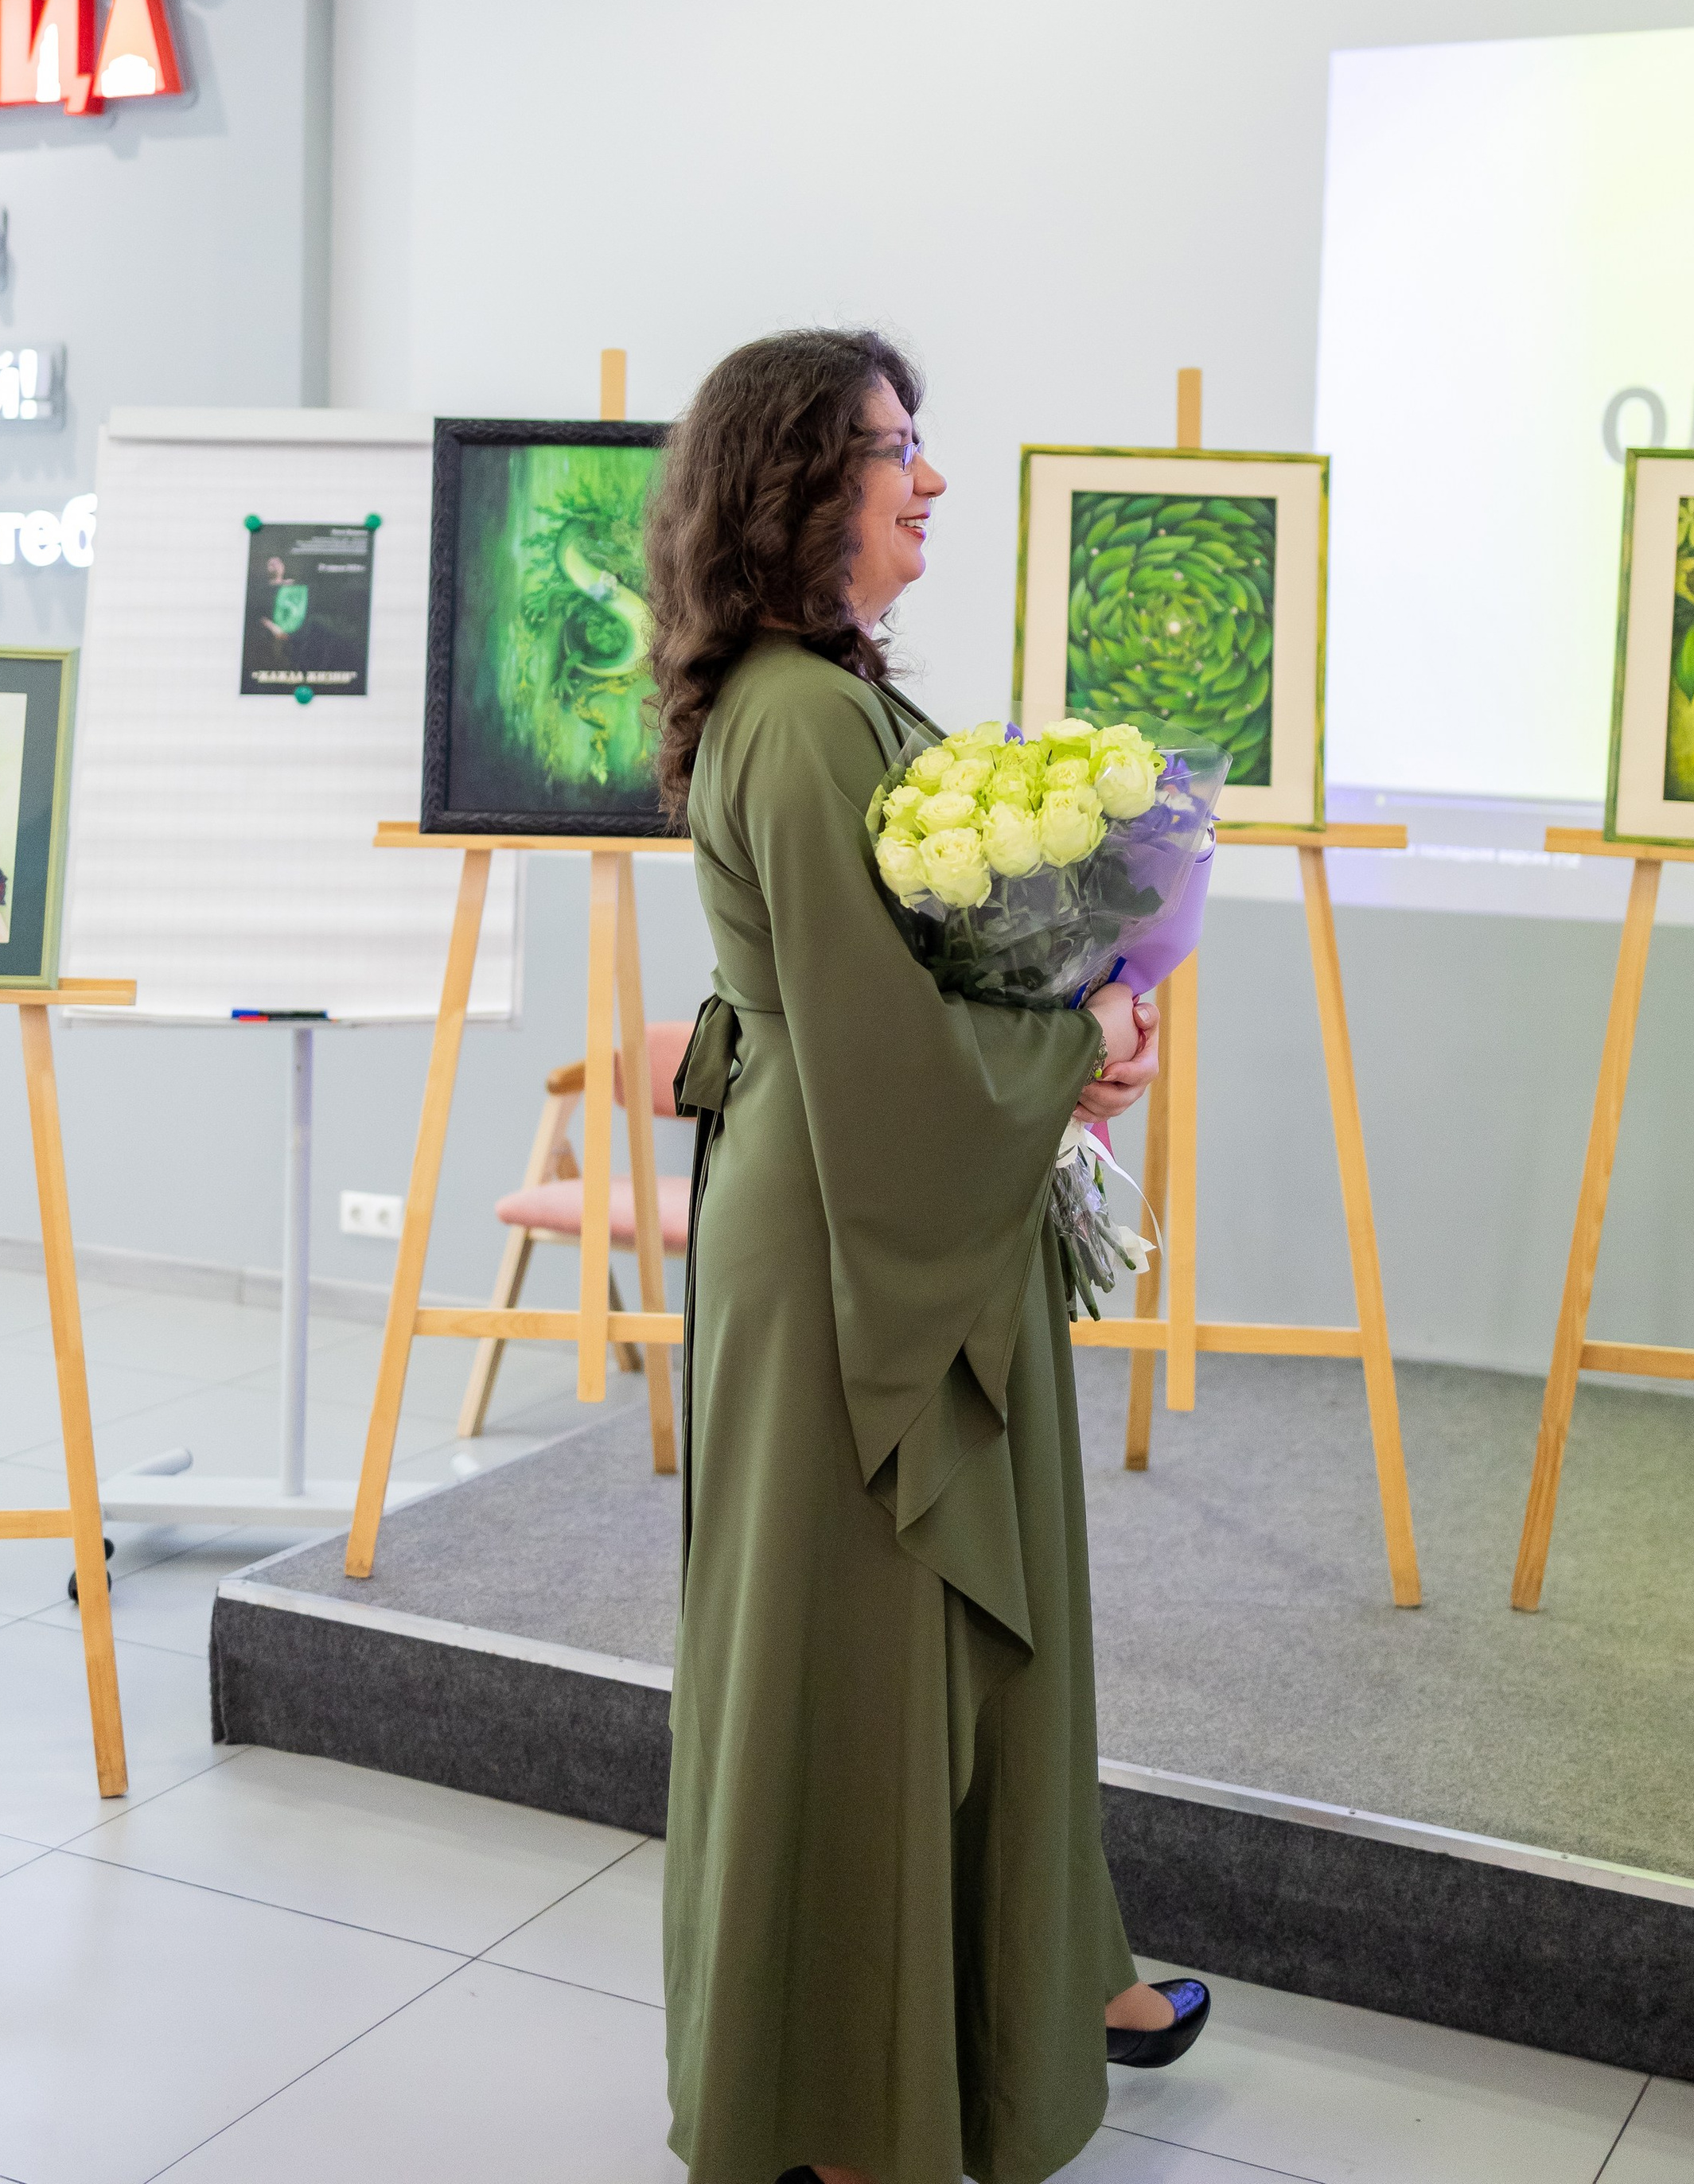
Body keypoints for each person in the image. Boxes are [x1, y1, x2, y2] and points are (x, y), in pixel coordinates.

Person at [648, 329, 1208, 2184]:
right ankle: (830, 2097)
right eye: (898, 449)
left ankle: (967, 2022)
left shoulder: (817, 691)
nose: (930, 480)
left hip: (880, 1201)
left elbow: (887, 992)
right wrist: (1081, 1050)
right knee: (849, 1663)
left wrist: (1051, 1046)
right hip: (853, 1230)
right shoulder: (804, 718)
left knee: (910, 1649)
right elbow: (880, 1048)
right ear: (802, 480)